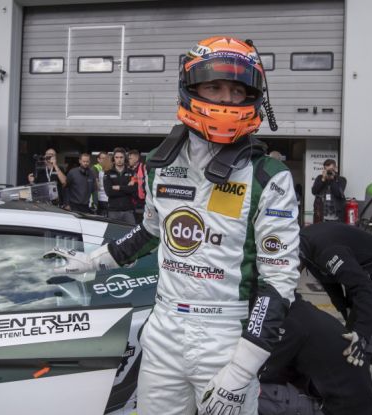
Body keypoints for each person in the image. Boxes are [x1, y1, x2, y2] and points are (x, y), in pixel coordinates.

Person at [47, 36, 300, 415]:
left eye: (237, 90)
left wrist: (241, 370)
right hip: (164, 328)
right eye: (215, 87)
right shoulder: (159, 164)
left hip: (226, 336)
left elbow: (278, 283)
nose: (227, 99)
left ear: (253, 97)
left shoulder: (269, 176)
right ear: (191, 87)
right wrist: (93, 261)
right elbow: (151, 231)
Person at [299, 222, 372, 407]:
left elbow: (366, 291)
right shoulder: (304, 245)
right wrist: (343, 307)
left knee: (360, 339)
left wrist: (362, 334)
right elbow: (326, 277)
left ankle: (358, 399)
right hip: (361, 273)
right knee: (357, 328)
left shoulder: (327, 252)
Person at [259, 294, 372, 415]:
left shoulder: (292, 322)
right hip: (357, 405)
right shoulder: (303, 311)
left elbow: (262, 372)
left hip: (333, 408)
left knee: (251, 389)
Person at [103, 147, 137, 224]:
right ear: (113, 159)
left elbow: (134, 190)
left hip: (128, 210)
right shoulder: (108, 173)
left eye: (121, 157)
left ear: (125, 158)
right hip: (113, 211)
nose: (119, 159)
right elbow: (109, 192)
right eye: (117, 157)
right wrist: (126, 188)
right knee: (113, 231)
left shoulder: (132, 173)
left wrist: (119, 187)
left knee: (132, 231)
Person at [311, 159, 346, 223]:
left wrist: (332, 180)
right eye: (327, 170)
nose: (329, 172)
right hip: (321, 215)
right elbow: (314, 191)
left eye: (331, 170)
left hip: (336, 217)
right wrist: (323, 180)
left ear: (336, 168)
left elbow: (338, 193)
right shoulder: (320, 178)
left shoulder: (341, 180)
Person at [128, 148, 147, 222]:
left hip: (142, 201)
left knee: (141, 221)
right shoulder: (129, 169)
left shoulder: (143, 167)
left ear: (136, 158)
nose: (129, 160)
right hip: (132, 201)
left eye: (130, 158)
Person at [93, 151, 111, 216]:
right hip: (105, 199)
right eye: (102, 158)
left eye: (105, 159)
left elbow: (97, 186)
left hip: (102, 198)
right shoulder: (96, 169)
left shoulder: (101, 172)